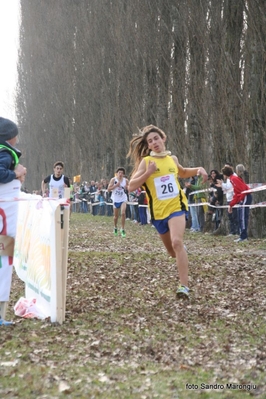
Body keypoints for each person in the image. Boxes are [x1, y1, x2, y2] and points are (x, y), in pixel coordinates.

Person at [127, 125, 208, 298]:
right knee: (172, 251)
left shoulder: (173, 159)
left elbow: (184, 172)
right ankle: (181, 252)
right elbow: (131, 186)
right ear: (148, 146)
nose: (154, 142)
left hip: (176, 207)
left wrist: (199, 169)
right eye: (150, 141)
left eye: (156, 138)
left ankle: (184, 287)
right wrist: (148, 173)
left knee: (177, 242)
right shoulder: (147, 162)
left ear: (163, 138)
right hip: (158, 213)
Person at [0, 117, 27, 326]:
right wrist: (15, 173)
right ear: (11, 136)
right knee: (4, 260)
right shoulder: (5, 152)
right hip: (4, 218)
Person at [221, 165, 252, 242]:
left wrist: (241, 199)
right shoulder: (232, 179)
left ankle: (244, 236)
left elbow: (243, 190)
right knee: (240, 216)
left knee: (243, 217)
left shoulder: (234, 179)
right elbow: (236, 193)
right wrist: (231, 205)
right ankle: (242, 235)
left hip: (245, 197)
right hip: (242, 198)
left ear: (225, 174)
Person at [216, 162, 238, 236]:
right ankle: (233, 231)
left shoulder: (234, 176)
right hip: (229, 198)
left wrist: (222, 184)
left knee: (235, 216)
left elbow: (230, 187)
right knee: (230, 216)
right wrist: (222, 185)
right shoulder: (228, 178)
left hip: (234, 198)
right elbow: (227, 188)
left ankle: (237, 231)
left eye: (227, 167)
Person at [108, 167, 129, 238]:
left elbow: (129, 189)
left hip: (123, 198)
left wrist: (127, 188)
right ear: (117, 173)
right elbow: (108, 189)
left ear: (123, 174)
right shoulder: (113, 180)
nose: (120, 174)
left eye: (122, 173)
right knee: (116, 217)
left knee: (123, 213)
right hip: (115, 199)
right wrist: (115, 186)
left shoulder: (125, 180)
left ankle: (122, 229)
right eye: (119, 173)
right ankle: (115, 227)